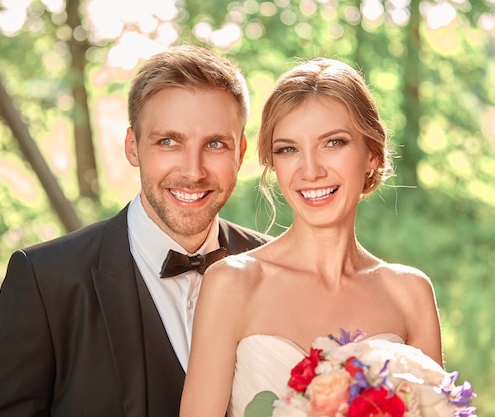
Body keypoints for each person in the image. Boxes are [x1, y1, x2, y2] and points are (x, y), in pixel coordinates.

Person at [0, 44, 271, 417]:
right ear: (133, 147)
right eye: (168, 142)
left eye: (214, 144)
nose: (193, 171)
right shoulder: (46, 282)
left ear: (240, 152)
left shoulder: (280, 270)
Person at [179, 57, 444, 417]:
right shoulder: (232, 283)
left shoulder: (410, 293)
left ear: (372, 153)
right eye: (288, 149)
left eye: (333, 143)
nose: (310, 170)